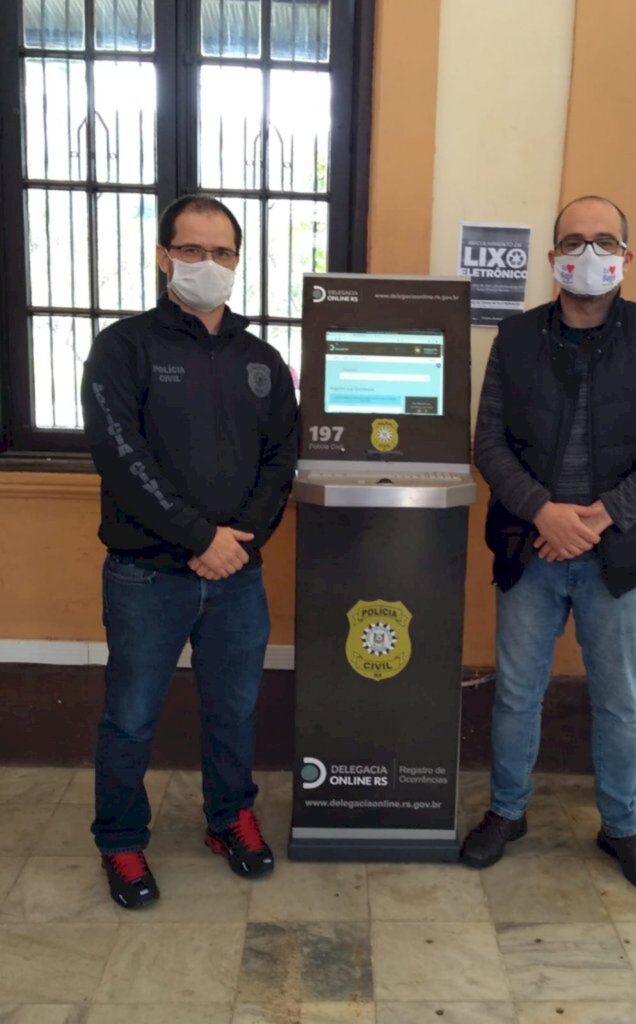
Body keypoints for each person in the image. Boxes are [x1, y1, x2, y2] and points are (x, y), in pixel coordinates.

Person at [460, 196, 636, 893]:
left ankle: (622, 826)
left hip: (619, 557)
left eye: (603, 242)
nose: (588, 254)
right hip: (530, 549)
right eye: (574, 241)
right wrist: (545, 514)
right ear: (553, 258)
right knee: (516, 695)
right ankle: (508, 812)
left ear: (625, 257)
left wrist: (598, 517)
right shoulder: (517, 337)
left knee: (620, 703)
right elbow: (489, 443)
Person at [81, 194, 298, 909]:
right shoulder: (124, 348)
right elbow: (121, 458)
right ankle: (120, 841)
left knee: (233, 709)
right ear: (163, 256)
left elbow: (280, 460)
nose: (208, 264)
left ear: (238, 262)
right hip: (148, 574)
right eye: (193, 250)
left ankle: (228, 818)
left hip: (238, 576)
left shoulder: (262, 359)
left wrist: (236, 543)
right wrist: (199, 536)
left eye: (223, 253)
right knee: (132, 715)